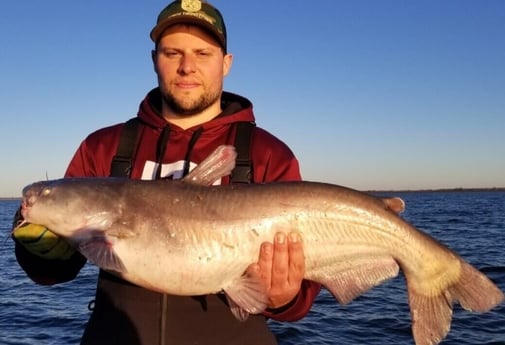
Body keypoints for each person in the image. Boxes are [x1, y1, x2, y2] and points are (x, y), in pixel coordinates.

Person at [12, 1, 321, 344]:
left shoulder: (269, 153)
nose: (187, 67)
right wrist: (37, 250)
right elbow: (54, 271)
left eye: (203, 53)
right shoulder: (103, 146)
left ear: (226, 63)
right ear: (154, 59)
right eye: (172, 53)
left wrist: (285, 298)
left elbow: (301, 297)